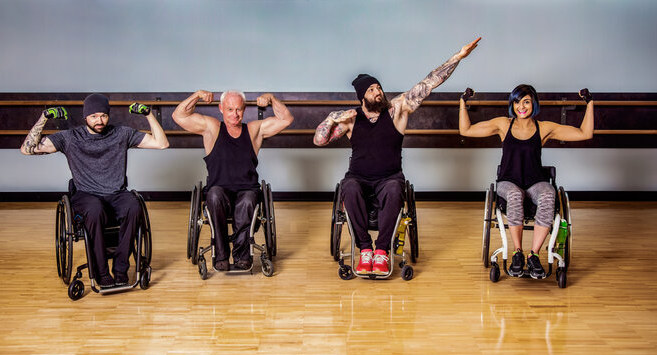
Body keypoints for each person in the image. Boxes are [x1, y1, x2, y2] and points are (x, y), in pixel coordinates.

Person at [313, 37, 481, 275]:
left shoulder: (397, 109)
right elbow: (319, 140)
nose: (378, 91)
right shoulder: (350, 119)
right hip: (358, 178)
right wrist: (331, 118)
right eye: (371, 90)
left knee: (394, 189)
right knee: (347, 187)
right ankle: (364, 249)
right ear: (362, 97)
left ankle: (381, 252)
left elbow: (429, 82)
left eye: (378, 87)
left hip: (389, 177)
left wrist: (458, 57)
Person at [20, 94, 169, 287]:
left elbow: (162, 143)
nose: (99, 121)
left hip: (115, 194)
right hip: (85, 195)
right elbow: (27, 149)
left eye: (103, 116)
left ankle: (120, 268)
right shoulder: (70, 138)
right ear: (85, 117)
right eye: (94, 116)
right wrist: (44, 117)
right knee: (95, 209)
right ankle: (101, 272)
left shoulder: (121, 134)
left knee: (134, 206)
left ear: (108, 115)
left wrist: (149, 114)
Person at [459, 84, 594, 278]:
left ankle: (533, 256)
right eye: (517, 102)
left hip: (534, 182)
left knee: (549, 193)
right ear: (512, 104)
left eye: (526, 102)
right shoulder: (504, 124)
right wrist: (462, 103)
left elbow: (585, 133)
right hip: (508, 182)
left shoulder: (544, 128)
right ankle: (517, 253)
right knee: (514, 194)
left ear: (534, 104)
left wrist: (590, 104)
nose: (521, 106)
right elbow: (466, 130)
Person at [172, 90, 293, 271]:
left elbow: (286, 119)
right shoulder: (211, 128)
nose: (234, 114)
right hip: (219, 191)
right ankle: (220, 255)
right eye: (230, 109)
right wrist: (196, 95)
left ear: (244, 110)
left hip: (247, 191)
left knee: (247, 201)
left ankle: (242, 256)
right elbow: (178, 115)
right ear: (221, 108)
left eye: (238, 109)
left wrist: (272, 98)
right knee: (213, 195)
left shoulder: (253, 130)